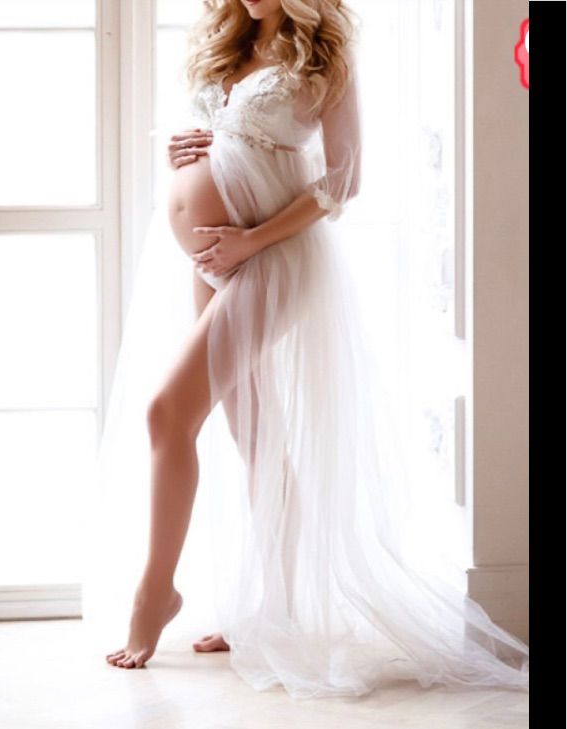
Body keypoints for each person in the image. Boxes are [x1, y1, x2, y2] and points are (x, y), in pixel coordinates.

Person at [89, 0, 529, 699]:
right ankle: (264, 606)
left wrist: (248, 241)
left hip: (271, 258)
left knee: (166, 414)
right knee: (257, 434)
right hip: (212, 261)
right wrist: (180, 149)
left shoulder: (325, 55)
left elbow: (343, 180)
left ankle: (153, 595)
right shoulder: (229, 43)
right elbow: (230, 145)